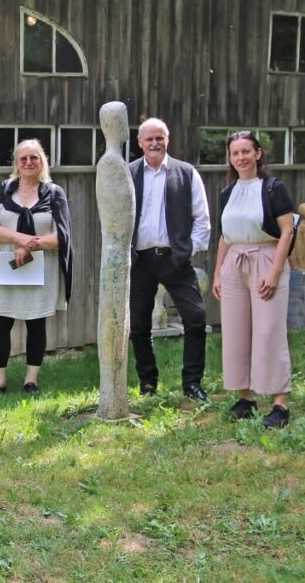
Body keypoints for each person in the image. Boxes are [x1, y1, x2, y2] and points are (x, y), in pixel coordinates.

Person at [212, 131, 296, 428]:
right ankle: (246, 398)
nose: (241, 158)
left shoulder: (273, 188)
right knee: (237, 331)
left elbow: (287, 231)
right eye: (235, 153)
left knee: (268, 331)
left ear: (258, 153)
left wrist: (274, 271)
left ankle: (280, 405)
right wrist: (219, 272)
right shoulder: (227, 192)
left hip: (265, 259)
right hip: (234, 262)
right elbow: (223, 235)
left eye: (246, 151)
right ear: (230, 158)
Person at [0, 139, 72, 396]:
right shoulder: (5, 189)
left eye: (34, 158)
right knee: (1, 323)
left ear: (41, 162)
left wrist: (30, 246)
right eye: (24, 159)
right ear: (17, 163)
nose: (29, 162)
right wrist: (19, 239)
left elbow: (61, 236)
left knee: (36, 325)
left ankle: (31, 381)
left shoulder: (54, 193)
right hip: (7, 265)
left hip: (41, 268)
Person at [128, 118, 211, 400]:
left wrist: (188, 250)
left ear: (168, 139)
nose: (154, 143)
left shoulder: (186, 173)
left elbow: (202, 219)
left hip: (175, 259)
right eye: (149, 139)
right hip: (139, 261)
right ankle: (148, 383)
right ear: (139, 142)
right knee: (138, 325)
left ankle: (192, 384)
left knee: (196, 318)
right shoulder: (128, 174)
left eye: (159, 138)